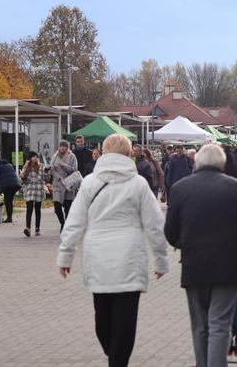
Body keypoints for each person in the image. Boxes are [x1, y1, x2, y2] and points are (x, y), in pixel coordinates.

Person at [56, 134, 169, 367]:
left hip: (98, 259)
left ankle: (115, 358)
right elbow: (155, 224)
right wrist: (160, 260)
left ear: (104, 153)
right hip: (130, 257)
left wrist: (65, 256)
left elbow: (74, 222)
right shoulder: (137, 184)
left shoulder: (89, 182)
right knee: (126, 321)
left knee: (103, 319)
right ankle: (118, 359)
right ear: (129, 154)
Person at [164, 144, 237, 367]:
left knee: (200, 326)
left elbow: (170, 232)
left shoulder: (180, 188)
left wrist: (184, 243)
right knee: (220, 325)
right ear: (222, 163)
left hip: (194, 266)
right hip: (229, 267)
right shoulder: (236, 188)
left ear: (196, 162)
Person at [50, 140, 78, 231]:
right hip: (58, 184)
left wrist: (63, 165)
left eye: (64, 146)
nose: (62, 147)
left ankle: (66, 226)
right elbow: (52, 169)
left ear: (67, 147)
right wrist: (59, 177)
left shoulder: (72, 156)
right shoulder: (55, 156)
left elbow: (74, 169)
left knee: (67, 208)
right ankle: (62, 222)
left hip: (69, 185)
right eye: (61, 146)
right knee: (57, 205)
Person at [20, 152, 47, 236]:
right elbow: (22, 180)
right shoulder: (26, 167)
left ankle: (37, 228)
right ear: (29, 158)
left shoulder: (41, 166)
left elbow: (45, 177)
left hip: (38, 190)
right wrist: (23, 176)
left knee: (37, 209)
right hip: (29, 190)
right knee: (29, 209)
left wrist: (46, 172)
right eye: (33, 157)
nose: (35, 158)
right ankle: (28, 228)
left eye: (36, 156)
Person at [0, 156, 22, 223]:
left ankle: (9, 218)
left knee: (7, 201)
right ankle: (9, 217)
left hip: (7, 185)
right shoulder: (8, 164)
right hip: (15, 184)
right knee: (10, 200)